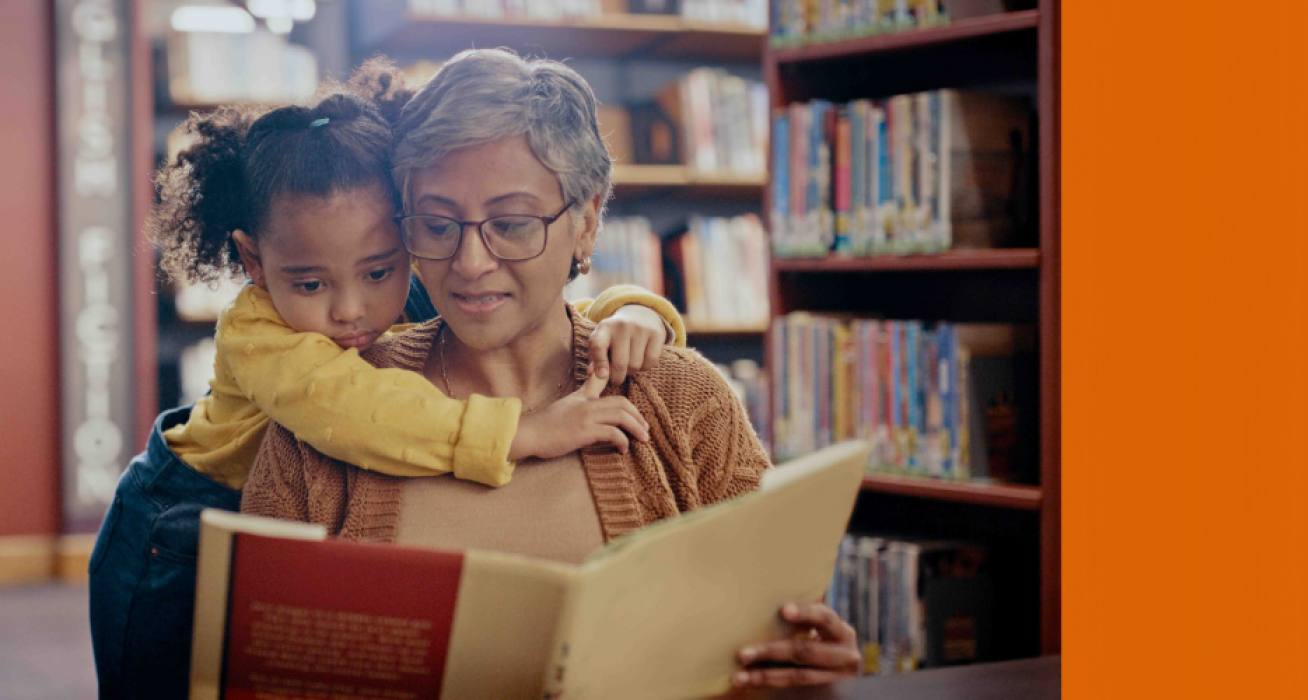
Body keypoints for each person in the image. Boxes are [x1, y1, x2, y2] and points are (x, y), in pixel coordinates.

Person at [240, 50, 864, 689]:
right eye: (436, 224)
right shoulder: (328, 417)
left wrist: (809, 671)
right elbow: (257, 667)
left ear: (587, 223)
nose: (471, 261)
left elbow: (764, 638)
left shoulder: (683, 398)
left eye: (511, 224)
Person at [88, 86, 694, 698]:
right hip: (176, 530)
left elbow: (537, 309)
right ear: (254, 259)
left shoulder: (404, 281)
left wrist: (634, 313)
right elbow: (360, 414)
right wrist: (518, 434)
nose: (352, 310)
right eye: (309, 283)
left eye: (379, 270)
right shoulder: (256, 332)